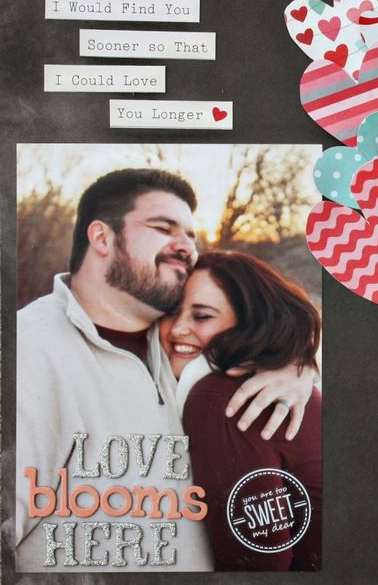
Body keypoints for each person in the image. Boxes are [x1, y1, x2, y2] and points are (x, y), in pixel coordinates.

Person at [15, 168, 317, 572]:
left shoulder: (181, 355)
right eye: (163, 227)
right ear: (102, 237)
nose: (186, 247)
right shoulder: (27, 350)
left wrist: (297, 363)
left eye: (190, 235)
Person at [159, 251, 321, 571]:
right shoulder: (275, 381)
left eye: (202, 316)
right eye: (171, 312)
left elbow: (260, 564)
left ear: (248, 322)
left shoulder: (222, 399)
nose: (178, 329)